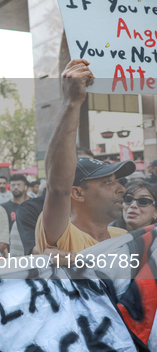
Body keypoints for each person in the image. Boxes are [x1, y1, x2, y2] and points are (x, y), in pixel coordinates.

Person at [35, 59, 135, 257]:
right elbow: (57, 188)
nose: (122, 188)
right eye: (107, 182)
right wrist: (71, 102)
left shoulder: (125, 237)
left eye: (117, 181)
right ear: (78, 194)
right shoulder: (64, 237)